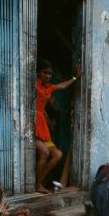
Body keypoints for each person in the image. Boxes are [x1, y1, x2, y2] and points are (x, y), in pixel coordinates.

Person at [34, 60, 82, 194]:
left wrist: (75, 78)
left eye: (50, 73)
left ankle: (39, 181)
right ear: (38, 72)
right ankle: (38, 184)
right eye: (45, 72)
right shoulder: (33, 84)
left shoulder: (48, 87)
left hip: (42, 125)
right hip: (33, 123)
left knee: (58, 154)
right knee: (45, 153)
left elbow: (62, 86)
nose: (47, 76)